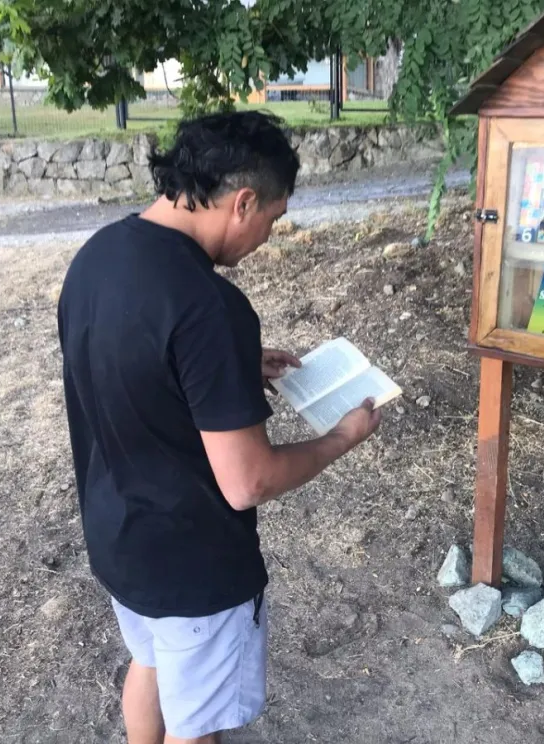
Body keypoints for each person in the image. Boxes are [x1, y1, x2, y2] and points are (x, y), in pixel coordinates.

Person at [57, 111, 381, 744]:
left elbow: (131, 364)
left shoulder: (98, 256)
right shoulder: (209, 307)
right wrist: (343, 436)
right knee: (196, 726)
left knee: (149, 664)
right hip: (193, 564)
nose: (266, 236)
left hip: (119, 538)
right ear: (243, 202)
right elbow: (248, 481)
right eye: (273, 220)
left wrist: (233, 369)